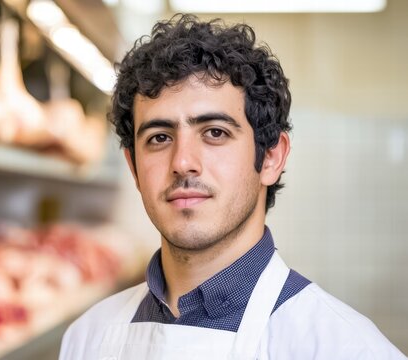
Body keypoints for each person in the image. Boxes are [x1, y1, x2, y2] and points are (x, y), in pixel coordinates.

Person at [59, 14, 406, 359]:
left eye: (215, 132)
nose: (182, 162)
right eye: (159, 137)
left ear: (271, 158)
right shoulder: (88, 339)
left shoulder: (346, 348)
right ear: (133, 167)